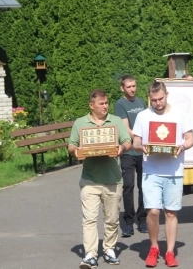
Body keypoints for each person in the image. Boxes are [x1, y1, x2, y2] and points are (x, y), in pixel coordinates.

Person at [132, 81, 193, 267]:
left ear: (166, 95)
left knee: (170, 213)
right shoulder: (143, 116)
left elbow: (190, 139)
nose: (158, 103)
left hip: (174, 171)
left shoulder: (180, 114)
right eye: (154, 100)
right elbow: (135, 142)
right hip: (151, 171)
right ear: (149, 98)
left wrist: (182, 146)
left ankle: (169, 251)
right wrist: (142, 147)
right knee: (152, 211)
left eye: (160, 99)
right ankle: (153, 247)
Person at [68, 89, 131, 269]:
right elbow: (71, 145)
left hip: (113, 179)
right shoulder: (80, 123)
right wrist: (76, 151)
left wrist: (122, 148)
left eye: (106, 103)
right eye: (101, 104)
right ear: (91, 105)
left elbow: (127, 140)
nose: (105, 106)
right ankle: (90, 254)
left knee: (111, 219)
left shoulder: (116, 121)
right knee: (89, 218)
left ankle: (109, 249)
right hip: (90, 179)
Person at [114, 75, 148, 237]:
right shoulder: (120, 104)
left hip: (143, 151)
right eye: (129, 87)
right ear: (123, 88)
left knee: (144, 186)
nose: (132, 89)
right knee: (128, 186)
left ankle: (142, 219)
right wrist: (139, 136)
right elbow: (125, 127)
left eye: (134, 86)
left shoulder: (141, 102)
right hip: (128, 150)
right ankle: (128, 221)